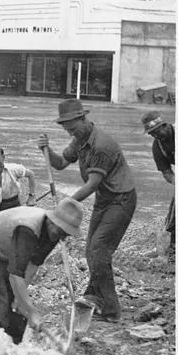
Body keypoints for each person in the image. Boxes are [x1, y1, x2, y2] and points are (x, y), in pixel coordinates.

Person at [38, 99, 137, 323]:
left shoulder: (101, 145)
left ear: (83, 119)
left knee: (99, 251)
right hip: (105, 200)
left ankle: (111, 310)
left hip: (121, 200)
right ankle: (94, 297)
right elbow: (61, 162)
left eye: (72, 128)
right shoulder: (80, 139)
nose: (70, 133)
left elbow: (92, 184)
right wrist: (46, 150)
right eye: (67, 130)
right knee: (92, 250)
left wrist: (65, 203)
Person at [0, 198, 83, 343]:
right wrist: (32, 311)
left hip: (9, 247)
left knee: (14, 304)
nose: (62, 237)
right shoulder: (28, 230)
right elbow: (15, 275)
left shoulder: (54, 234)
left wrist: (21, 302)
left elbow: (33, 265)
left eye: (66, 234)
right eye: (61, 231)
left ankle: (14, 344)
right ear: (52, 221)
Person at [142, 111, 175, 254]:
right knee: (174, 213)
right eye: (152, 134)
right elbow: (166, 172)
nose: (156, 136)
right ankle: (167, 248)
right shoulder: (158, 146)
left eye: (157, 132)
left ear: (165, 125)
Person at [0, 147, 37, 218]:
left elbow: (31, 174)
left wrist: (32, 196)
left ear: (3, 157)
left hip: (14, 207)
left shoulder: (14, 169)